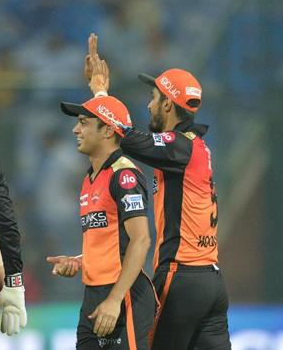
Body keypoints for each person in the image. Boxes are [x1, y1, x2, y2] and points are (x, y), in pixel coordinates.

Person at [85, 33, 231, 350]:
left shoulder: (178, 146)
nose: (149, 104)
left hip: (181, 277)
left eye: (153, 97)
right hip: (212, 281)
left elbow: (126, 137)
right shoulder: (198, 147)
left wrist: (99, 94)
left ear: (168, 103)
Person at [47, 87, 156, 349]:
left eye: (84, 123)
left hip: (124, 295)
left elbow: (140, 241)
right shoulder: (89, 178)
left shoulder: (124, 175)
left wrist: (115, 300)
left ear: (108, 130)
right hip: (93, 295)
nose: (75, 130)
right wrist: (79, 261)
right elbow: (111, 240)